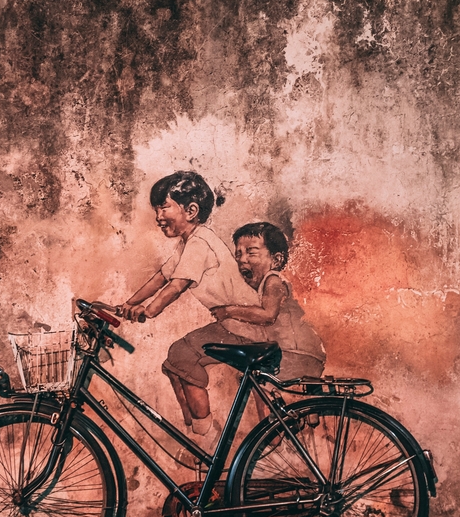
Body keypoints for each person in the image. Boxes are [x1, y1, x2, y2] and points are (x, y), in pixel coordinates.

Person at [114, 171, 261, 436]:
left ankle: (205, 433)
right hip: (232, 325)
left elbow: (177, 285)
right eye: (156, 210)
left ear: (191, 210)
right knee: (175, 363)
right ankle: (194, 428)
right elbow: (161, 277)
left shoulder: (201, 243)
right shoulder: (188, 244)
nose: (158, 217)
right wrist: (125, 304)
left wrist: (148, 311)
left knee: (181, 356)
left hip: (242, 326)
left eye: (164, 208)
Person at [229, 221, 326, 384]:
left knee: (255, 378)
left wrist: (229, 311)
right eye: (238, 254)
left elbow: (268, 316)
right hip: (294, 353)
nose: (242, 259)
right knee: (255, 382)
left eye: (251, 253)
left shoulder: (273, 280)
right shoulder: (262, 286)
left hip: (296, 353)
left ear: (276, 260)